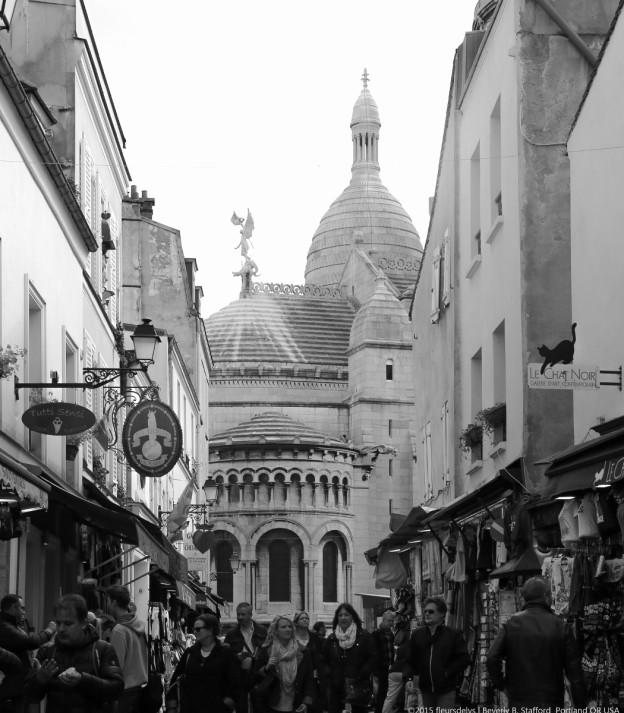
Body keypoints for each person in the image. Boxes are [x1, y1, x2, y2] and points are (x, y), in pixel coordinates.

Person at [486, 576, 588, 711]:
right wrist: (581, 706)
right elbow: (575, 675)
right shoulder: (560, 627)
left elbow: (491, 658)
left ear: (524, 598)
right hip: (550, 702)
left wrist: (502, 685)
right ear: (546, 597)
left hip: (519, 702)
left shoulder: (510, 625)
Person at [25, 593, 124, 713]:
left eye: (68, 623)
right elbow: (30, 695)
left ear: (83, 623)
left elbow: (116, 690)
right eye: (58, 623)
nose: (61, 629)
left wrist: (83, 680)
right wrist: (39, 679)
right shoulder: (47, 651)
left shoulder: (102, 649)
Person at [403, 596, 470, 712]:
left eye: (431, 611)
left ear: (442, 614)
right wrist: (408, 678)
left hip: (446, 689)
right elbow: (410, 659)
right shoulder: (418, 635)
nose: (427, 614)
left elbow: (464, 659)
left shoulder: (453, 635)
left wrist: (447, 672)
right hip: (425, 689)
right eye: (425, 611)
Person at [166, 613, 238, 713]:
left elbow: (235, 682)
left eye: (198, 629)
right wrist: (172, 708)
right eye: (194, 629)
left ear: (210, 630)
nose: (195, 632)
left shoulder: (225, 653)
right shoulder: (190, 653)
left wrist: (226, 704)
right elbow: (175, 681)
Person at [0, 593, 56, 712]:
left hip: (19, 688)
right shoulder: (4, 626)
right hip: (10, 691)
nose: (24, 612)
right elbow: (31, 642)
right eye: (22, 608)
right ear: (14, 608)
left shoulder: (13, 626)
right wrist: (49, 630)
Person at [252, 615, 316, 713]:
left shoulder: (303, 651)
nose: (288, 629)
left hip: (296, 704)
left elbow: (309, 679)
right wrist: (266, 668)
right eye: (283, 627)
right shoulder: (267, 651)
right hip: (271, 704)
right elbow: (255, 677)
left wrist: (306, 701)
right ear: (276, 630)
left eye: (290, 627)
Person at [320, 602, 377, 713]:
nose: (343, 618)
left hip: (358, 685)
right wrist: (330, 673)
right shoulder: (332, 639)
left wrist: (362, 673)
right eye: (340, 615)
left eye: (347, 614)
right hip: (336, 686)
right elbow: (322, 660)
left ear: (353, 617)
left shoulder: (364, 636)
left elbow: (373, 658)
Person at [106, 584, 148, 713]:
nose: (107, 605)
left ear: (114, 603)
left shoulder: (119, 630)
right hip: (139, 690)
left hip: (124, 692)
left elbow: (116, 665)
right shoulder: (138, 625)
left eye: (108, 601)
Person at [224, 601, 268, 713]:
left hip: (260, 674)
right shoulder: (231, 634)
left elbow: (269, 651)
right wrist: (237, 658)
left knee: (260, 706)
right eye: (238, 614)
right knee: (242, 707)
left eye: (242, 614)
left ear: (250, 614)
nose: (239, 617)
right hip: (241, 676)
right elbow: (226, 658)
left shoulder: (263, 631)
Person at [293, 611, 323, 711]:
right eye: (302, 618)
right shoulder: (291, 638)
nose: (305, 620)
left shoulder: (315, 638)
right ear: (296, 622)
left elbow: (320, 656)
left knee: (314, 704)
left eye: (306, 618)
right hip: (296, 675)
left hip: (314, 676)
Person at [371, 608, 395, 713]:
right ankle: (378, 710)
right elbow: (373, 652)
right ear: (383, 620)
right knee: (379, 691)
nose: (391, 623)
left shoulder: (391, 634)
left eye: (392, 621)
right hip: (379, 667)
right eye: (389, 621)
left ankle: (382, 709)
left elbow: (391, 649)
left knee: (384, 690)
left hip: (387, 666)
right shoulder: (376, 634)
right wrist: (374, 668)